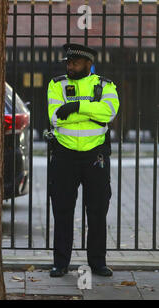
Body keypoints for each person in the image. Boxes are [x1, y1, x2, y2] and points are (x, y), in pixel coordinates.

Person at [47, 43, 119, 278]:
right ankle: (60, 263)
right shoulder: (56, 84)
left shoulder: (105, 85)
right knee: (62, 209)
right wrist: (91, 112)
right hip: (64, 154)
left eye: (74, 63)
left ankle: (97, 263)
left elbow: (108, 113)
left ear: (88, 63)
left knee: (97, 210)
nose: (70, 66)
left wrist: (76, 106)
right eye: (68, 62)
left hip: (95, 155)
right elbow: (57, 118)